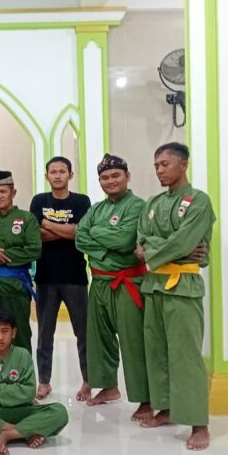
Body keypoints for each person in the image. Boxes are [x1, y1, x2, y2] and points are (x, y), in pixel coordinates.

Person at [136, 142, 216, 450]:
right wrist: (161, 247)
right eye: (156, 165)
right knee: (156, 352)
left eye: (165, 164)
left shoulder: (198, 201)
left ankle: (199, 423)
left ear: (183, 164)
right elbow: (141, 240)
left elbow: (184, 242)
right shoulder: (152, 203)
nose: (159, 170)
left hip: (183, 285)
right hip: (154, 285)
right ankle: (167, 408)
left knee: (186, 356)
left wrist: (156, 249)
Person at [74, 154, 154, 418]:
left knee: (133, 341)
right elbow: (80, 237)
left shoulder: (137, 206)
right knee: (99, 339)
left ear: (127, 176)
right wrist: (106, 249)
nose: (110, 181)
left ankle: (145, 399)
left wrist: (97, 235)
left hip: (127, 282)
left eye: (115, 175)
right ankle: (108, 387)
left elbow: (125, 240)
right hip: (99, 282)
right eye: (104, 177)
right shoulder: (96, 209)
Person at [0, 307, 68, 455]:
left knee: (60, 412)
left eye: (5, 331)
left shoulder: (23, 355)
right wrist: (16, 394)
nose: (0, 337)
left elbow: (29, 393)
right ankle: (23, 432)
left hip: (23, 411)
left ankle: (5, 434)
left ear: (13, 332)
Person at [28, 156, 92, 400]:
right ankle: (44, 381)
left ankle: (88, 381)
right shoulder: (39, 200)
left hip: (75, 277)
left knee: (83, 333)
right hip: (46, 278)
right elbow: (36, 235)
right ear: (47, 176)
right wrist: (68, 229)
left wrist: (48, 223)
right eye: (53, 172)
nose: (57, 175)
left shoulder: (81, 201)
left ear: (70, 175)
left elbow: (81, 232)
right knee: (44, 334)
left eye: (62, 171)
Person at [0, 171, 41, 353]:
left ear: (13, 192)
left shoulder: (27, 219)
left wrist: (3, 255)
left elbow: (34, 249)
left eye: (3, 191)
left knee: (19, 335)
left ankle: (22, 371)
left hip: (15, 288)